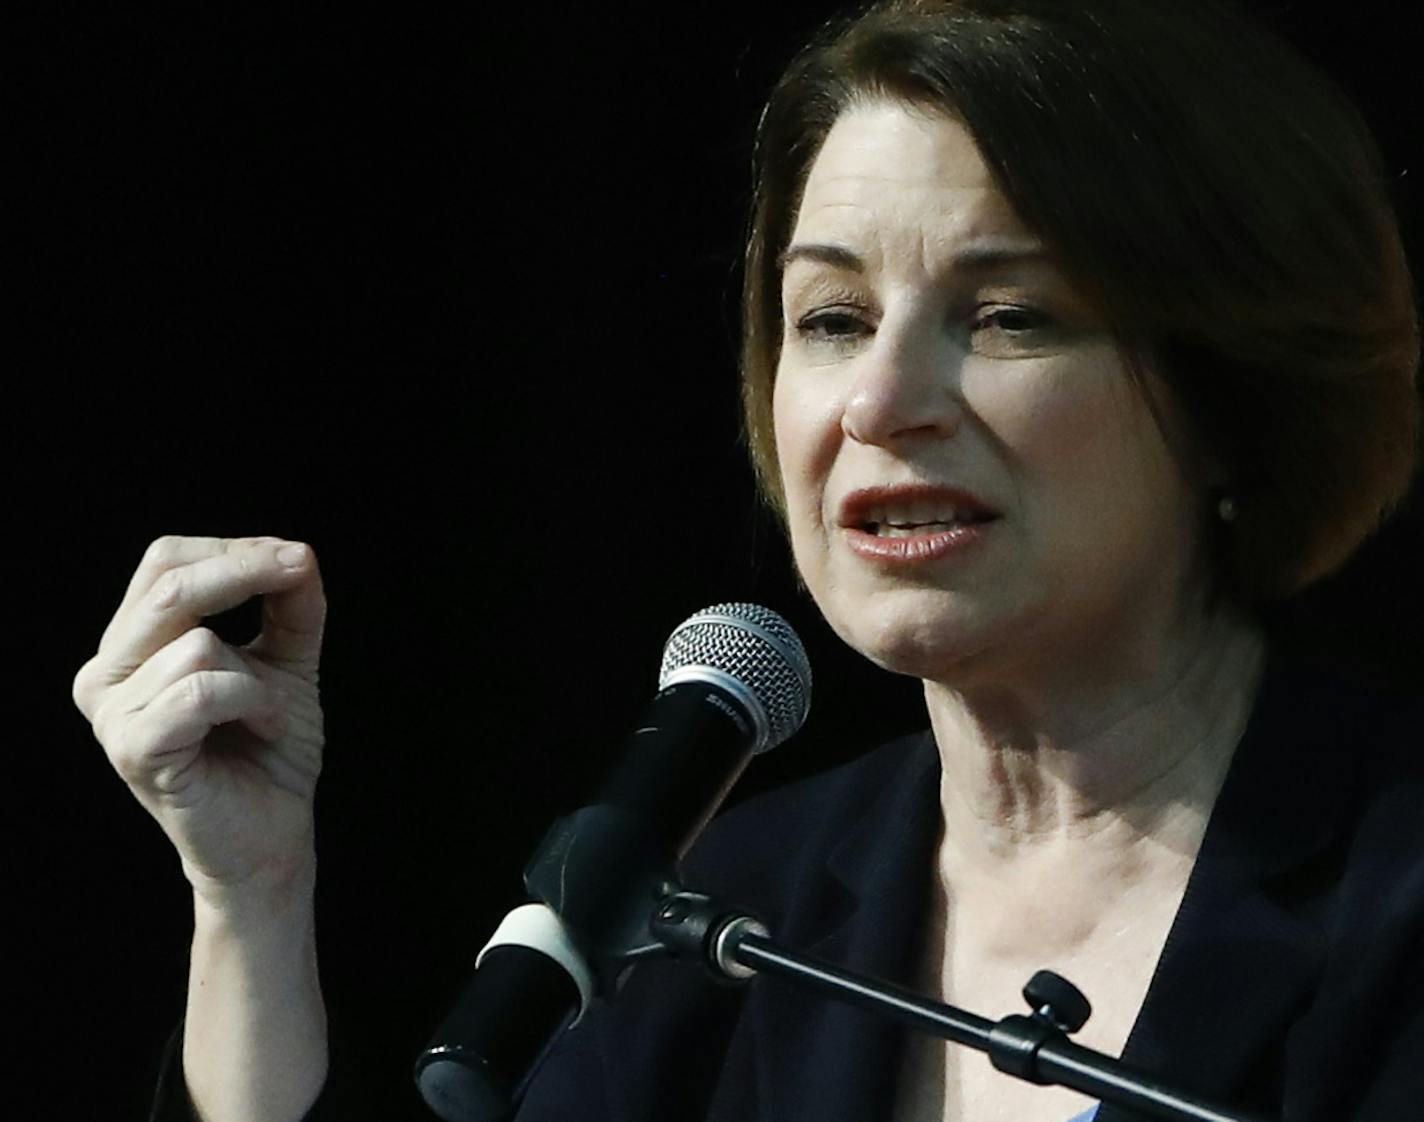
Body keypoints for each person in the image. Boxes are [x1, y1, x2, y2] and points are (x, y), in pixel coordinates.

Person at [73, 1, 1419, 1120]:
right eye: (831, 317)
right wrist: (250, 897)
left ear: (1237, 387)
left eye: (1008, 314)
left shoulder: (1393, 889)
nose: (880, 401)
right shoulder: (706, 920)